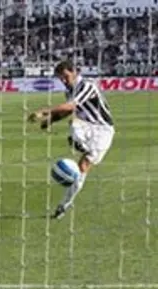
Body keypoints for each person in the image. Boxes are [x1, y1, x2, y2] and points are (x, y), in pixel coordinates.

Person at [29, 60, 114, 220]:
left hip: (103, 131)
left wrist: (45, 111)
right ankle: (64, 205)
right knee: (81, 166)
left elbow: (70, 106)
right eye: (60, 78)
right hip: (88, 128)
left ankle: (79, 144)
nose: (63, 81)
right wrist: (50, 120)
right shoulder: (70, 91)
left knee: (76, 132)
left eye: (66, 76)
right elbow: (68, 111)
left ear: (74, 71)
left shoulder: (87, 85)